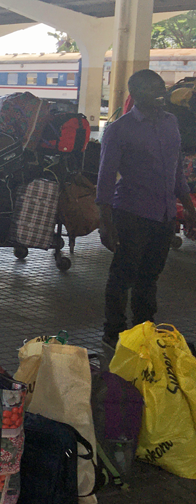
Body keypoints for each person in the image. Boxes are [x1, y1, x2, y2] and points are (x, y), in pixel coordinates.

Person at [97, 69, 196, 350]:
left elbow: (177, 171)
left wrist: (188, 208)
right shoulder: (119, 129)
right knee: (123, 276)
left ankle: (143, 327)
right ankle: (113, 331)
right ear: (136, 94)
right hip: (131, 213)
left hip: (164, 215)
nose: (161, 93)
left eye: (161, 88)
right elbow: (105, 177)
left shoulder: (171, 122)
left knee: (150, 276)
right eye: (153, 89)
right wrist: (106, 223)